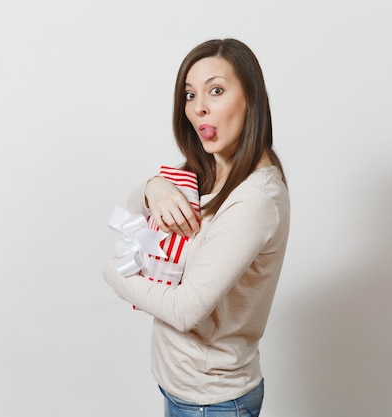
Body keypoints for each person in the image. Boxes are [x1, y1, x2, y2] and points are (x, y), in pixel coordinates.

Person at [103, 38, 290, 417]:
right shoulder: (207, 171)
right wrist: (152, 187)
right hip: (182, 387)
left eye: (216, 91)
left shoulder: (255, 199)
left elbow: (187, 309)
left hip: (213, 402)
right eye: (189, 95)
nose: (198, 107)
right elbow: (135, 215)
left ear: (251, 98)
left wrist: (112, 273)